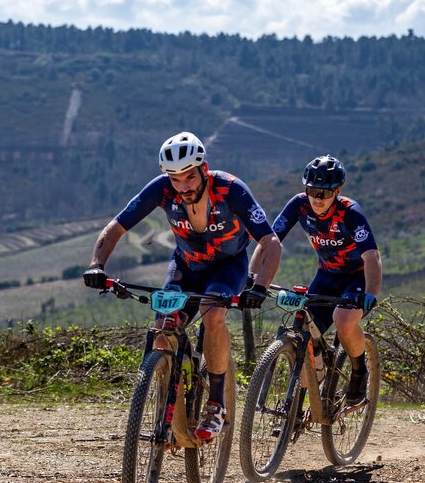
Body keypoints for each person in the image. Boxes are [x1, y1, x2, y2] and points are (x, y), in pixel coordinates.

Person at [82, 131, 282, 441]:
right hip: (186, 266)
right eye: (175, 179)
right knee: (163, 330)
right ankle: (168, 405)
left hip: (228, 266)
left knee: (212, 313)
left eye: (189, 177)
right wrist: (97, 264)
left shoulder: (231, 189)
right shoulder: (162, 189)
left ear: (204, 169)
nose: (183, 186)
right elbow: (116, 227)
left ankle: (216, 403)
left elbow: (270, 242)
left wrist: (260, 287)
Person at [269, 154, 382, 405]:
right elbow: (271, 240)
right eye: (313, 191)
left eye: (326, 193)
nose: (318, 198)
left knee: (343, 319)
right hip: (327, 275)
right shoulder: (299, 205)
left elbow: (372, 256)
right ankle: (298, 405)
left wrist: (371, 293)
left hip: (357, 277)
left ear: (337, 191)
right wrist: (255, 278)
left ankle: (358, 371)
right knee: (303, 333)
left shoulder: (350, 212)